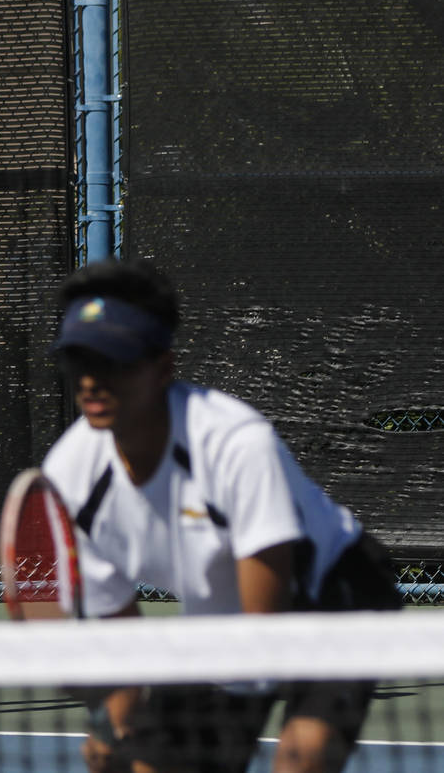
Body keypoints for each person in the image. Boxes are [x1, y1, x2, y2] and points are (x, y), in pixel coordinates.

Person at [42, 257, 401, 773]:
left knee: (303, 760)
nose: (93, 382)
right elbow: (116, 631)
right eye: (80, 362)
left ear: (163, 368)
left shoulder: (235, 444)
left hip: (336, 592)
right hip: (222, 610)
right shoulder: (70, 475)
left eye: (115, 362)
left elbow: (259, 630)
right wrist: (120, 730)